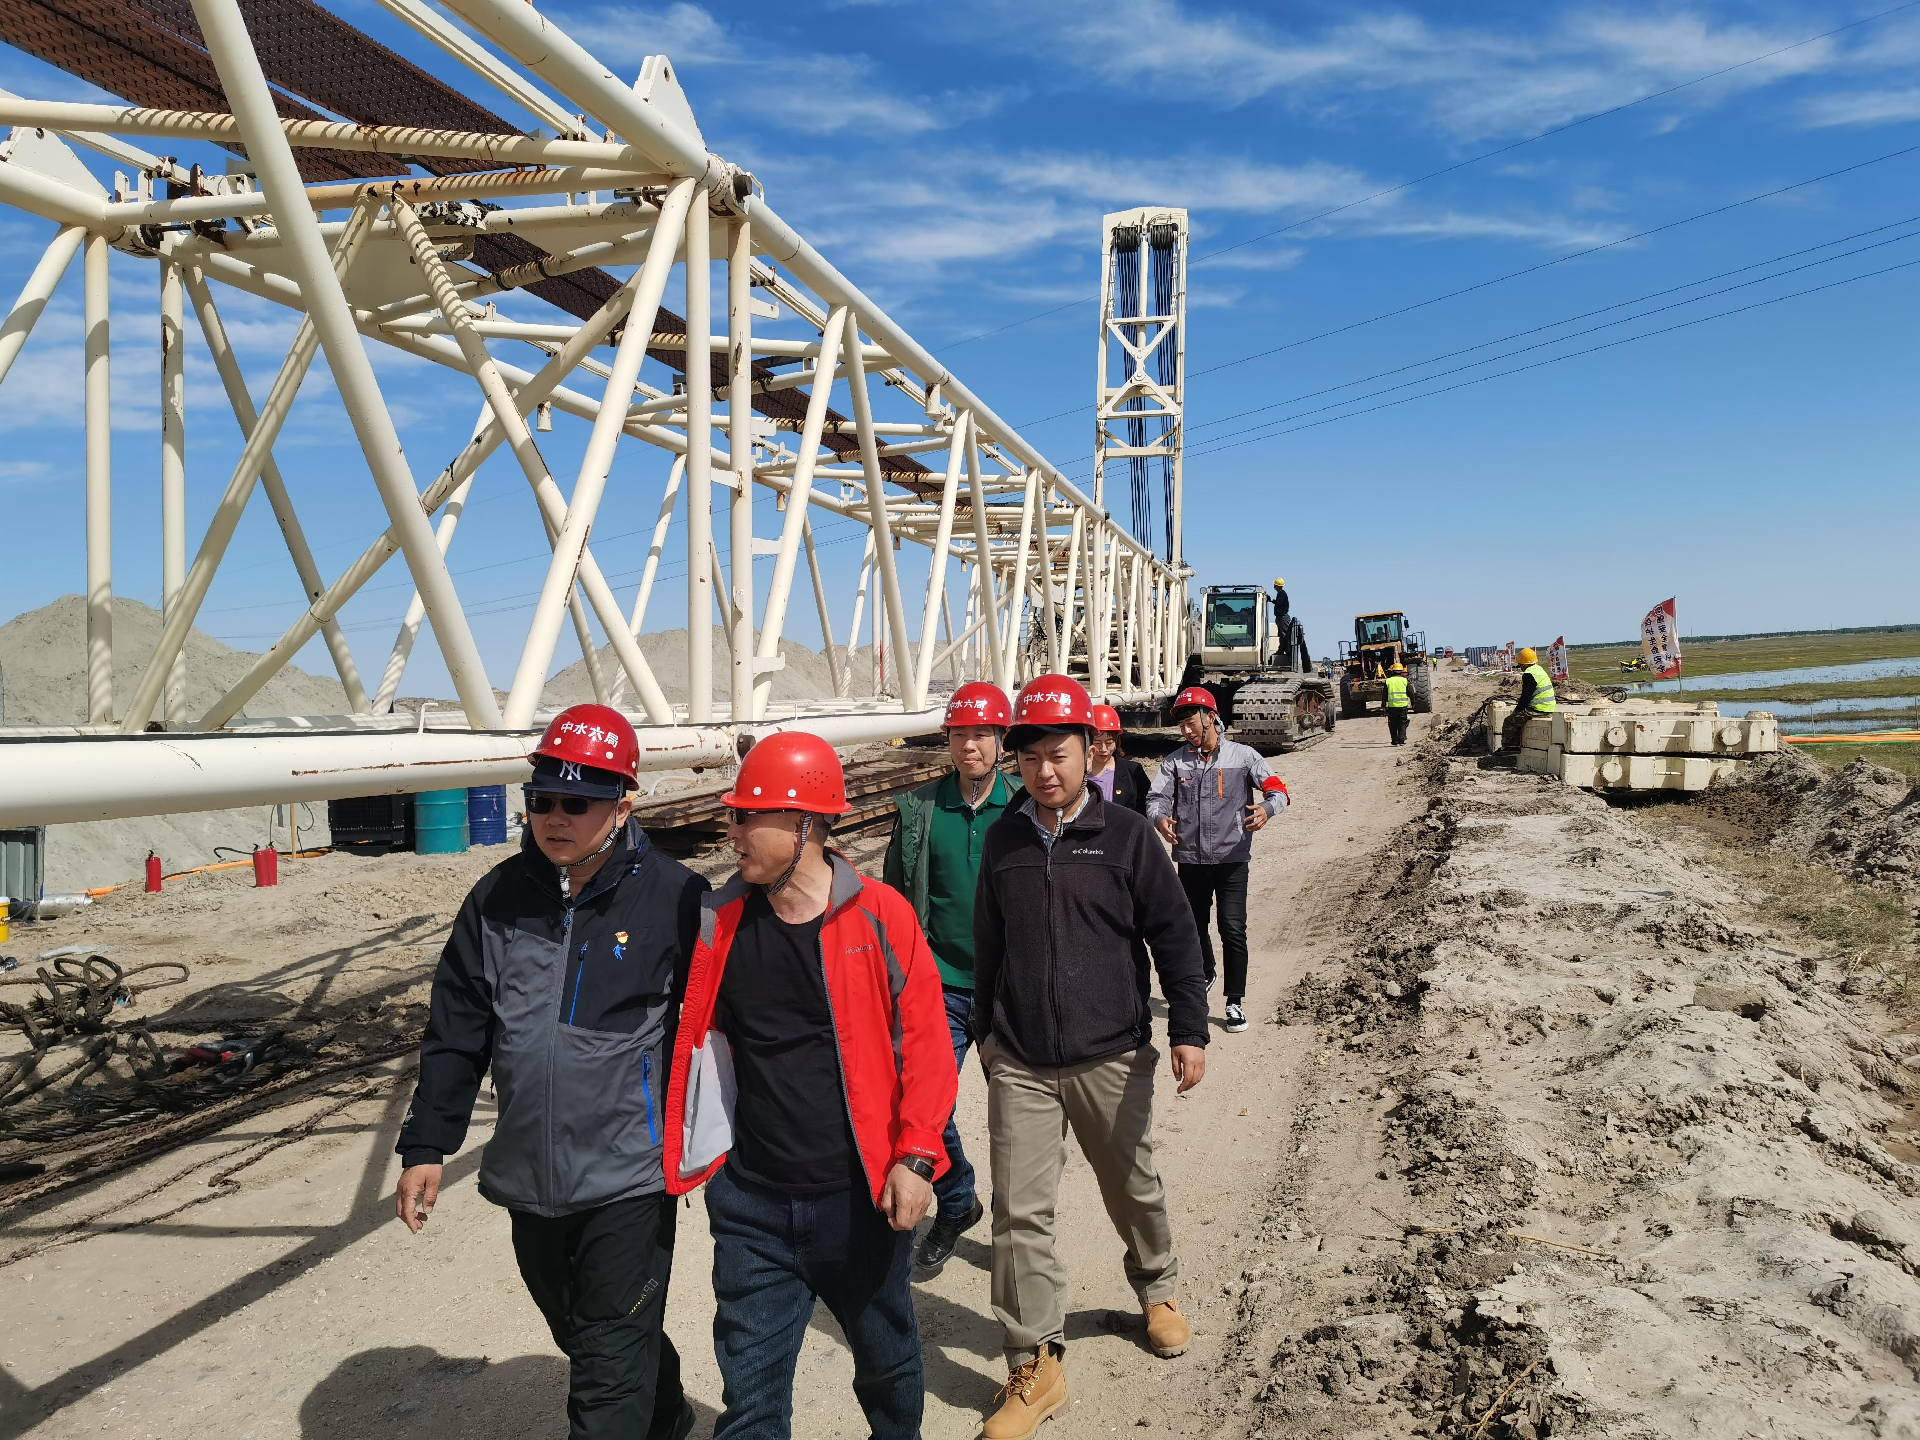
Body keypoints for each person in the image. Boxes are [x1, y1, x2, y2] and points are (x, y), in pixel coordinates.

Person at [394, 704, 708, 1440]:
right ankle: (664, 1411)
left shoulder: (675, 898)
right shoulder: (496, 899)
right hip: (529, 1175)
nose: (554, 818)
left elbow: (718, 1035)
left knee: (606, 1358)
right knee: (581, 1328)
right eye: (541, 800)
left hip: (629, 1173)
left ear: (623, 806)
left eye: (577, 802)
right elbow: (457, 1031)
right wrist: (427, 1145)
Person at [662, 731, 958, 1440]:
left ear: (804, 825)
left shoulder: (881, 916)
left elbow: (927, 1045)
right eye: (732, 815)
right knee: (751, 1399)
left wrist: (917, 1157)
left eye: (746, 816)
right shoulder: (719, 923)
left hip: (859, 1202)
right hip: (752, 1207)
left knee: (886, 1366)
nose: (730, 830)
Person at [970, 674, 1209, 1440]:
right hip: (1021, 1058)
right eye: (1030, 757)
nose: (1044, 770)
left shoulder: (1128, 837)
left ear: (1089, 749)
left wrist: (1189, 1027)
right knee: (1018, 1212)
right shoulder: (1003, 841)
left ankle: (1158, 1288)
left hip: (1111, 1052)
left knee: (1130, 1184)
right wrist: (985, 1033)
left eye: (1059, 753)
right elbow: (987, 946)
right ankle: (1035, 1363)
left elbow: (1175, 935)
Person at [883, 681, 1015, 1272]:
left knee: (1018, 1120)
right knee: (923, 1107)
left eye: (982, 734)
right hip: (938, 985)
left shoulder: (1024, 806)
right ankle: (958, 1200)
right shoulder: (920, 810)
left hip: (1008, 989)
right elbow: (893, 899)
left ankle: (1016, 1233)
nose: (970, 746)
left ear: (1001, 740)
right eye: (960, 734)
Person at [1147, 686, 1289, 1036]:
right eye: (1181, 725)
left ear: (1210, 717)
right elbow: (1156, 798)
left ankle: (1234, 1001)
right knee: (1193, 926)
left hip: (1231, 859)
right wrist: (1159, 818)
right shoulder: (1175, 761)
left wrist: (1267, 809)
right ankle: (1207, 970)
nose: (1186, 731)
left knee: (1232, 929)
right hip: (1191, 861)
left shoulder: (1244, 756)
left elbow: (1279, 790)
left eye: (1191, 723)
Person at [1088, 703, 1151, 815]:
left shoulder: (1133, 771)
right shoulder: (1077, 772)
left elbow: (1146, 807)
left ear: (1116, 741)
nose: (1103, 749)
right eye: (1097, 742)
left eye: (1109, 742)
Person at [1502, 646, 1558, 751]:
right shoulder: (1538, 669)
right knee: (1518, 718)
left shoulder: (1529, 674)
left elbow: (1525, 696)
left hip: (1538, 709)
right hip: (1549, 707)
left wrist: (1517, 710)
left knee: (1510, 721)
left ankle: (1509, 748)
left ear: (1523, 664)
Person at [1383, 661, 1412, 747]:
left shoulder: (1388, 681)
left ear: (1392, 671)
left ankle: (1395, 741)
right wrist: (1413, 702)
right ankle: (1401, 740)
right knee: (1403, 722)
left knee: (1393, 724)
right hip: (1403, 706)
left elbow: (1384, 695)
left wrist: (1383, 705)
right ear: (1401, 671)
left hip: (1392, 707)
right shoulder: (1405, 681)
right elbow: (1411, 692)